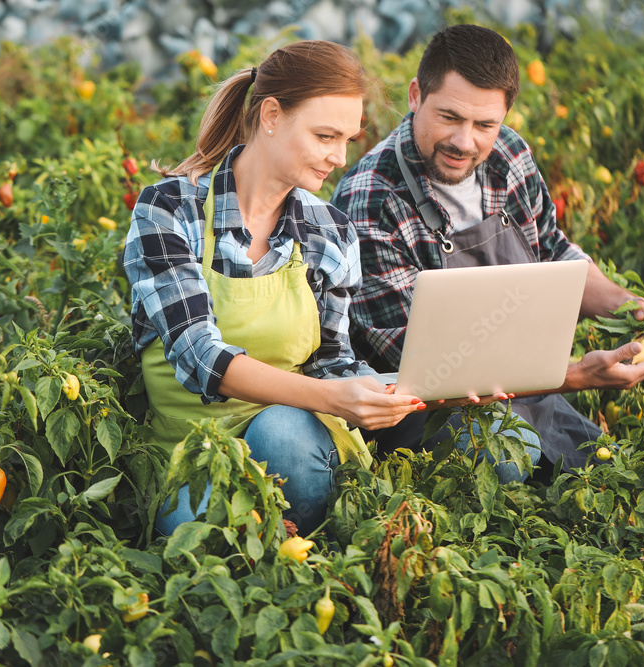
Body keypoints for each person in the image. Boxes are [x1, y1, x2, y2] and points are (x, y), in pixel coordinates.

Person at [332, 24, 644, 473]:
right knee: (507, 459)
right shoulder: (370, 201)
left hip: (537, 396)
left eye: (485, 124)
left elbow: (555, 253)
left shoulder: (507, 155)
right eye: (449, 117)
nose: (466, 142)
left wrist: (627, 306)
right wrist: (580, 374)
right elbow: (432, 373)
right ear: (415, 96)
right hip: (428, 414)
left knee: (620, 475)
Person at [123, 41, 426, 535]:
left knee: (283, 433)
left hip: (298, 438)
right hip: (193, 456)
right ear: (270, 115)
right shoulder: (170, 208)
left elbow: (331, 360)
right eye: (325, 135)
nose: (339, 156)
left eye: (347, 138)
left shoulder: (328, 229)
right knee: (194, 533)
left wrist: (399, 391)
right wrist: (331, 398)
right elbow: (200, 355)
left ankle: (300, 553)